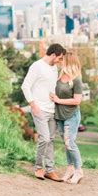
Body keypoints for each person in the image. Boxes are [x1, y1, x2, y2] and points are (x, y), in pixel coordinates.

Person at [22, 43, 66, 181]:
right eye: (59, 58)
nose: (60, 61)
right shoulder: (37, 66)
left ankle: (50, 170)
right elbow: (25, 86)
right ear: (53, 55)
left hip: (51, 109)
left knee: (51, 140)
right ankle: (38, 167)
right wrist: (33, 105)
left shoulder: (54, 69)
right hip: (39, 109)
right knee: (44, 138)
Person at [49, 51, 84, 184]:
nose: (61, 61)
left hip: (71, 115)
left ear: (69, 61)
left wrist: (58, 100)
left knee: (70, 142)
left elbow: (77, 101)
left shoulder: (76, 79)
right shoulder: (60, 75)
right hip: (60, 116)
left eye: (63, 59)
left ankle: (79, 171)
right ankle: (69, 169)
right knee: (66, 143)